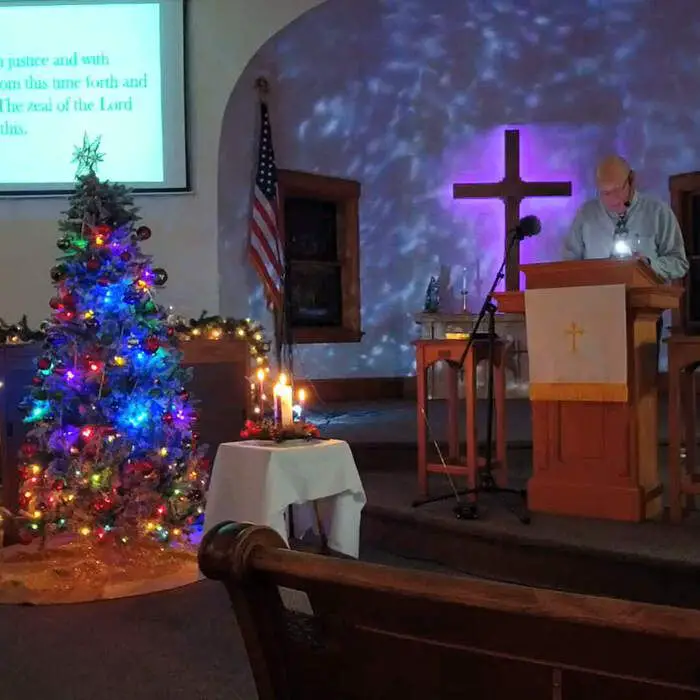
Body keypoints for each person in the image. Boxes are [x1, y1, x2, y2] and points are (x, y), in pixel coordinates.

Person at [563, 155, 688, 352]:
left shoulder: (657, 213)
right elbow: (569, 265)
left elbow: (679, 263)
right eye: (604, 193)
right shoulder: (586, 216)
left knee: (641, 378)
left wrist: (648, 264)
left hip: (644, 314)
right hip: (596, 314)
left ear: (631, 180)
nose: (611, 199)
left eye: (616, 191)